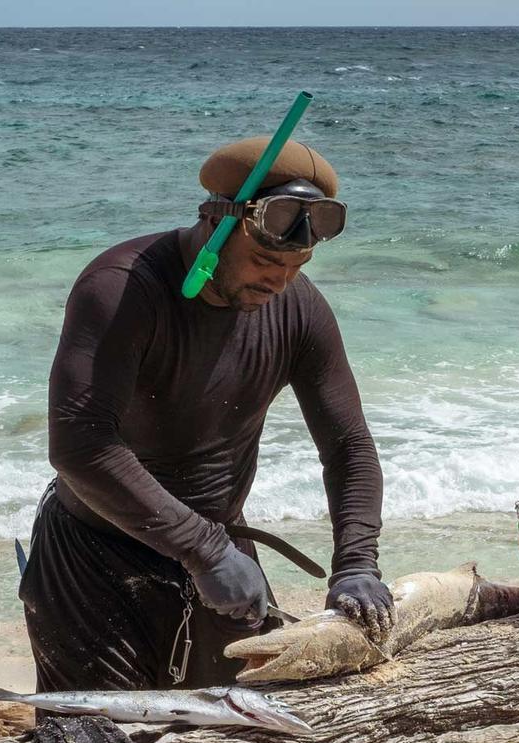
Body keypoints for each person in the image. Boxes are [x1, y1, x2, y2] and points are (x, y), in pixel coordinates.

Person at [21, 136, 394, 697]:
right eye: (266, 260)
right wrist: (206, 549)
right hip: (94, 555)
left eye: (296, 265)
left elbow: (348, 447)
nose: (278, 281)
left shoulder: (298, 308)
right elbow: (80, 443)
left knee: (252, 735)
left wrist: (357, 564)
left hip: (219, 552)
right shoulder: (123, 289)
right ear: (217, 225)